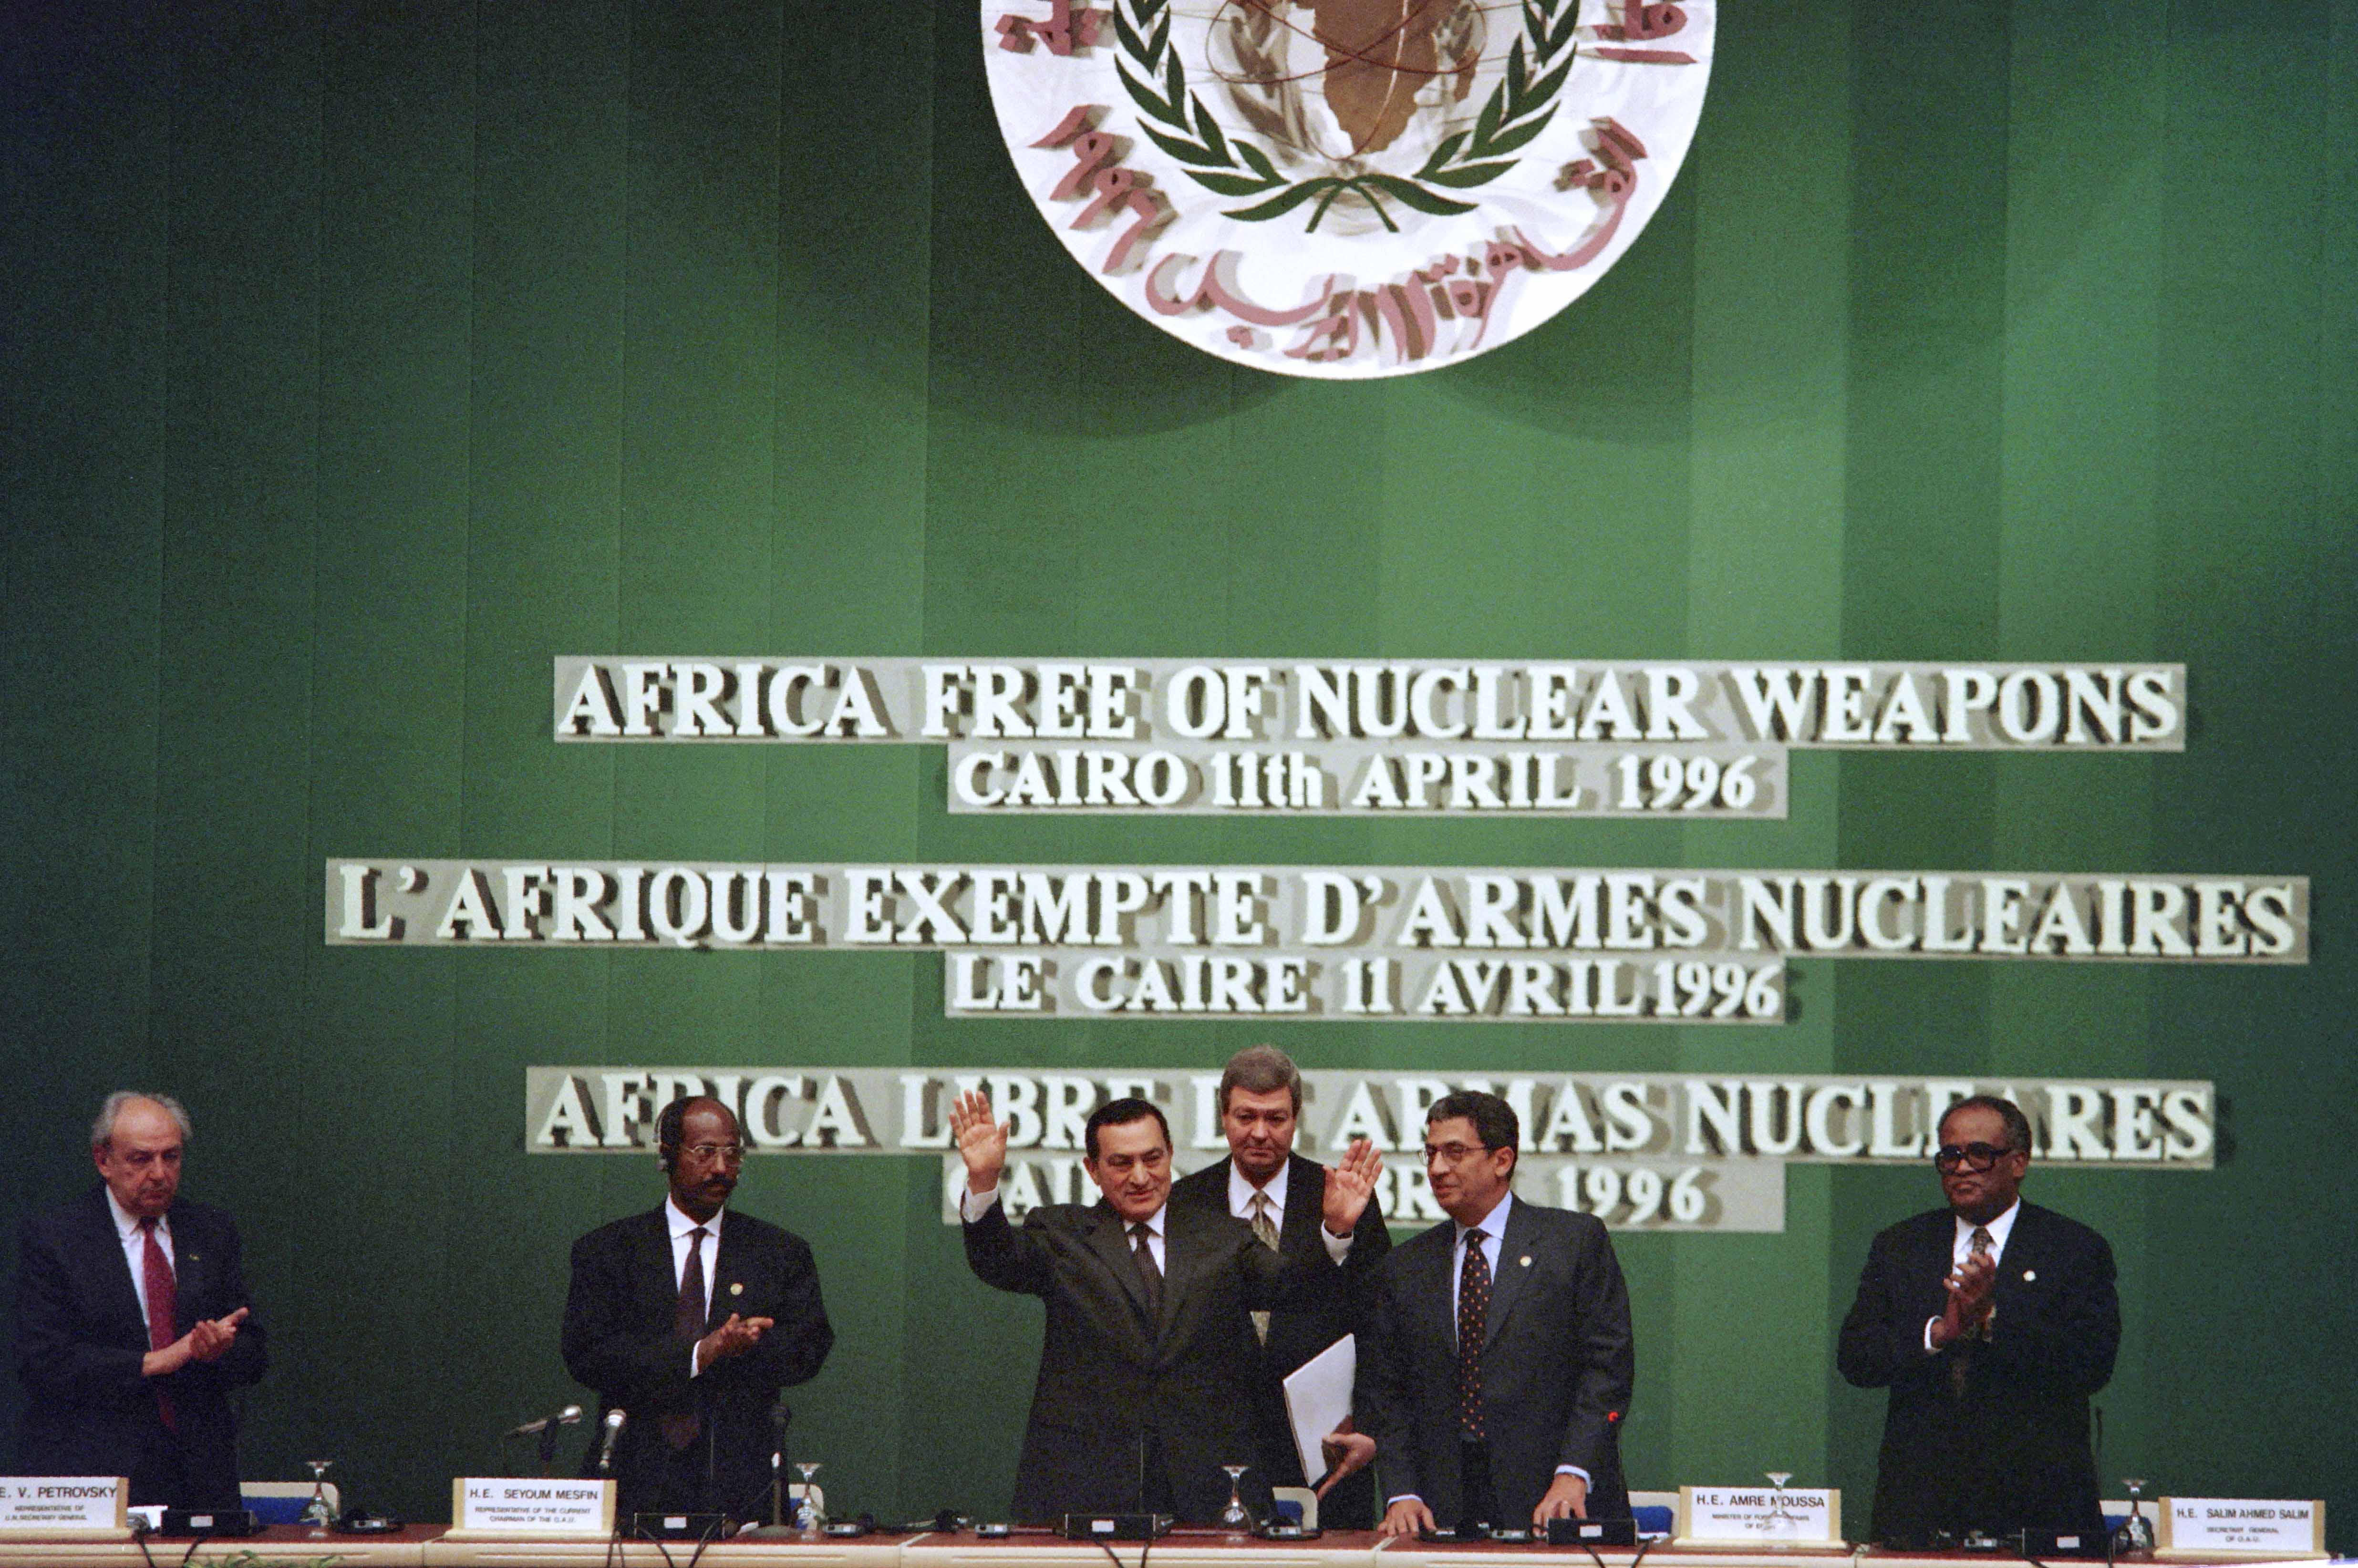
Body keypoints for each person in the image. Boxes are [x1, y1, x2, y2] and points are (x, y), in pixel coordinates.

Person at [951, 1090, 1381, 1524]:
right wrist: (984, 1182)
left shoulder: (1221, 1237)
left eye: (1152, 1159)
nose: (1140, 1177)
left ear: (1171, 1155)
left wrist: (1336, 1229)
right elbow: (998, 1262)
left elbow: (1295, 1291)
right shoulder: (1062, 1234)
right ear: (1092, 1170)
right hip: (1087, 1485)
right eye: (1121, 1163)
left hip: (1203, 1488)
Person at [1838, 1093, 2120, 1546]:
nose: (1962, 1167)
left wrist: (1992, 1316)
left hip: (2038, 1508)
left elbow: (2091, 1365)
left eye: (1980, 1154)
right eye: (1950, 1156)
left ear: (2019, 1162)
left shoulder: (2074, 1249)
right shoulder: (1902, 1246)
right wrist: (1940, 1333)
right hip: (1919, 1511)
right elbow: (1856, 1358)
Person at [1357, 1090, 1634, 1537]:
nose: (1436, 1169)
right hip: (1442, 1512)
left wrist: (1574, 1471)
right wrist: (1401, 1492)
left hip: (1557, 1502)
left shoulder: (1573, 1243)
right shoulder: (1405, 1267)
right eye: (1430, 1154)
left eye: (1455, 1152)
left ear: (1502, 1160)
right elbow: (1386, 1394)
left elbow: (1608, 1371)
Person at [562, 1095, 833, 1519]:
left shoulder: (779, 1253)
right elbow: (588, 1356)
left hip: (741, 1485)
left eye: (733, 1154)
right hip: (635, 1476)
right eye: (705, 1153)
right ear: (667, 1156)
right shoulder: (609, 1251)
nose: (722, 1169)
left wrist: (745, 1345)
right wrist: (698, 1354)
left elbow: (810, 1348)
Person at [1168, 1045, 1391, 1527]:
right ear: (1223, 1116)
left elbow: (1382, 1326)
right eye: (1246, 1116)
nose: (1261, 1133)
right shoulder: (1184, 1204)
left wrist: (1370, 1427)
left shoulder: (1343, 1197)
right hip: (1210, 1454)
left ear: (1297, 1119)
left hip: (1326, 1451)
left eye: (1277, 1118)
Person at [15, 1093, 267, 1509]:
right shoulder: (56, 1239)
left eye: (171, 1157)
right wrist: (156, 1362)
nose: (159, 1174)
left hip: (200, 1477)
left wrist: (216, 1350)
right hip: (94, 1475)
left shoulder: (211, 1231)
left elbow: (254, 1353)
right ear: (103, 1161)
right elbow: (44, 1363)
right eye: (141, 1159)